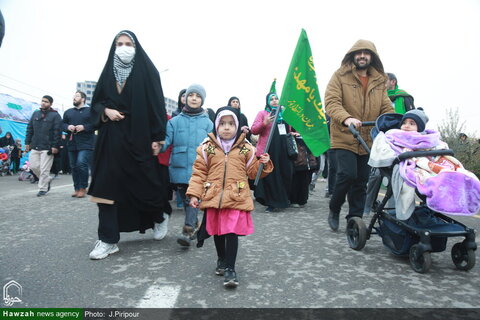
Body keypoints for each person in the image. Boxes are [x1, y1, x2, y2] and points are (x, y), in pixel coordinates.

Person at [87, 30, 171, 260]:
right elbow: (96, 103)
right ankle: (108, 239)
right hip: (110, 139)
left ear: (136, 47)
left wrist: (158, 137)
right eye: (119, 44)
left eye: (128, 43)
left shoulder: (148, 72)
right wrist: (106, 111)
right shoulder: (107, 74)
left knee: (145, 184)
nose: (123, 47)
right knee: (105, 186)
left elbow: (156, 106)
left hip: (139, 138)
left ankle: (160, 215)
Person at [187, 106, 273, 287]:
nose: (227, 127)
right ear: (216, 126)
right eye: (223, 124)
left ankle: (230, 269)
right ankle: (221, 259)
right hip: (214, 196)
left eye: (231, 124)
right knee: (218, 231)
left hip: (236, 197)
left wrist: (263, 164)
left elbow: (252, 173)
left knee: (231, 231)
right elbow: (198, 174)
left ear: (237, 126)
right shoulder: (206, 148)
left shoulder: (246, 148)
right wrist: (194, 194)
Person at [325, 39, 393, 231]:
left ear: (372, 57)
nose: (362, 56)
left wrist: (398, 121)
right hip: (344, 135)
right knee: (347, 174)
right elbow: (331, 102)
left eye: (367, 53)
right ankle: (334, 207)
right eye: (359, 52)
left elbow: (385, 106)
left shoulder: (379, 81)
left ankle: (353, 218)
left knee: (361, 180)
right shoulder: (339, 76)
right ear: (353, 55)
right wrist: (346, 119)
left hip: (367, 138)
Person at [161, 84, 213, 247]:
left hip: (199, 168)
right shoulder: (174, 122)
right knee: (185, 199)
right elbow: (166, 141)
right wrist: (157, 145)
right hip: (178, 166)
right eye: (191, 95)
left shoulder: (208, 123)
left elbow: (212, 146)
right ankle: (194, 222)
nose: (194, 98)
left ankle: (188, 229)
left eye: (198, 96)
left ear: (202, 100)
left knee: (192, 197)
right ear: (185, 98)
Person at [251, 92, 294, 212]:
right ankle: (271, 202)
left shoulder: (284, 114)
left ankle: (283, 199)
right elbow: (253, 130)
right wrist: (265, 123)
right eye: (271, 99)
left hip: (283, 151)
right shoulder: (263, 113)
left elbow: (288, 130)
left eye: (276, 98)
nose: (274, 101)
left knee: (284, 174)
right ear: (267, 102)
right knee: (270, 177)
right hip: (268, 150)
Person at [25, 95, 62, 197]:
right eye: (42, 101)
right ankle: (47, 179)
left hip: (48, 147)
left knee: (44, 169)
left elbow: (57, 132)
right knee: (33, 166)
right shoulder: (35, 114)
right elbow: (30, 129)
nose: (43, 103)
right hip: (35, 145)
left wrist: (55, 146)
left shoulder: (55, 116)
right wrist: (27, 143)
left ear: (50, 104)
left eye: (46, 101)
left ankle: (43, 189)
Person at [62, 91, 95, 198]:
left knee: (81, 163)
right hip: (72, 142)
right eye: (74, 96)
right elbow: (62, 124)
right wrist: (68, 127)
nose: (74, 98)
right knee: (73, 166)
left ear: (83, 99)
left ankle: (83, 188)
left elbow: (96, 124)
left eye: (77, 96)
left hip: (86, 142)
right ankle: (76, 188)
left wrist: (84, 127)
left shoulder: (90, 110)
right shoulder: (68, 112)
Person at [290, 134, 318, 208]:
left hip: (308, 155)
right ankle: (295, 199)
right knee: (296, 179)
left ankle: (302, 199)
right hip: (297, 148)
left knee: (305, 179)